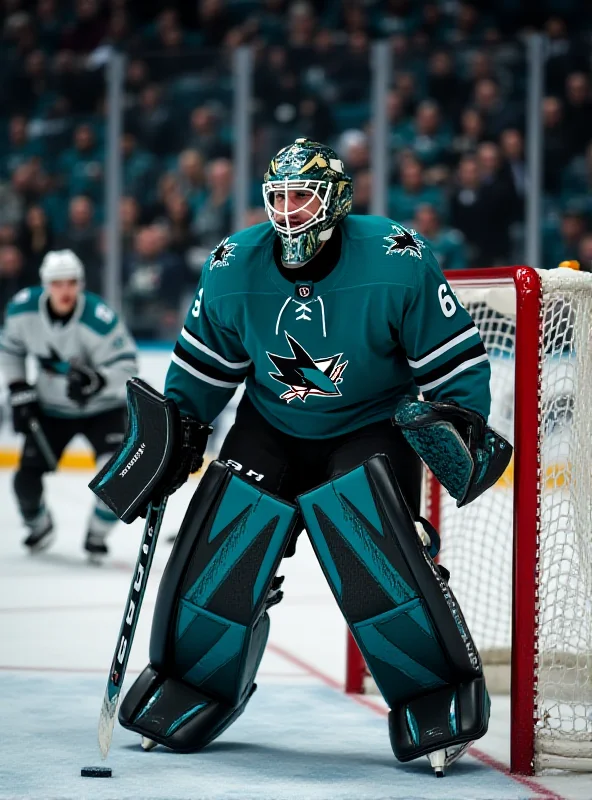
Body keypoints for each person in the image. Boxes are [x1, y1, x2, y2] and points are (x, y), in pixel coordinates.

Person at [91, 139, 511, 773]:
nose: (288, 212)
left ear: (336, 200)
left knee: (374, 550)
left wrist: (460, 422)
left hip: (371, 425)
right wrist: (174, 434)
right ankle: (192, 683)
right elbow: (201, 374)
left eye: (303, 196)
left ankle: (435, 691)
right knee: (222, 541)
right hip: (271, 425)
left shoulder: (397, 257)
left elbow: (454, 362)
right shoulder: (234, 264)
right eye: (278, 197)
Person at [0, 249, 137, 560]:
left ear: (81, 283)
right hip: (52, 409)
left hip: (103, 409)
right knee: (25, 479)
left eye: (71, 282)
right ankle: (38, 525)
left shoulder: (99, 319)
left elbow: (127, 364)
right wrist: (19, 387)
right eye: (57, 283)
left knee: (119, 476)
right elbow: (10, 350)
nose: (65, 290)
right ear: (45, 284)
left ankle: (97, 534)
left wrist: (98, 380)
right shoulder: (22, 311)